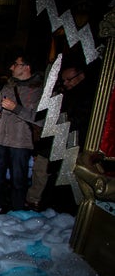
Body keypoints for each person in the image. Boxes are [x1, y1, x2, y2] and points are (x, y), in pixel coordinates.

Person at [0, 54, 43, 213]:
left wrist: (15, 108)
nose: (11, 67)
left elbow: (40, 119)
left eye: (15, 64)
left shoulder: (38, 90)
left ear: (26, 67)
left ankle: (18, 211)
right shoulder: (8, 86)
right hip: (0, 139)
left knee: (19, 179)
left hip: (20, 142)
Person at [25, 62, 96, 210]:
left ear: (81, 76)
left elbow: (78, 121)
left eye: (69, 79)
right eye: (63, 80)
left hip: (70, 143)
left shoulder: (89, 96)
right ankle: (36, 201)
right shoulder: (65, 93)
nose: (65, 83)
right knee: (41, 170)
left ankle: (52, 205)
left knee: (60, 178)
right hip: (53, 140)